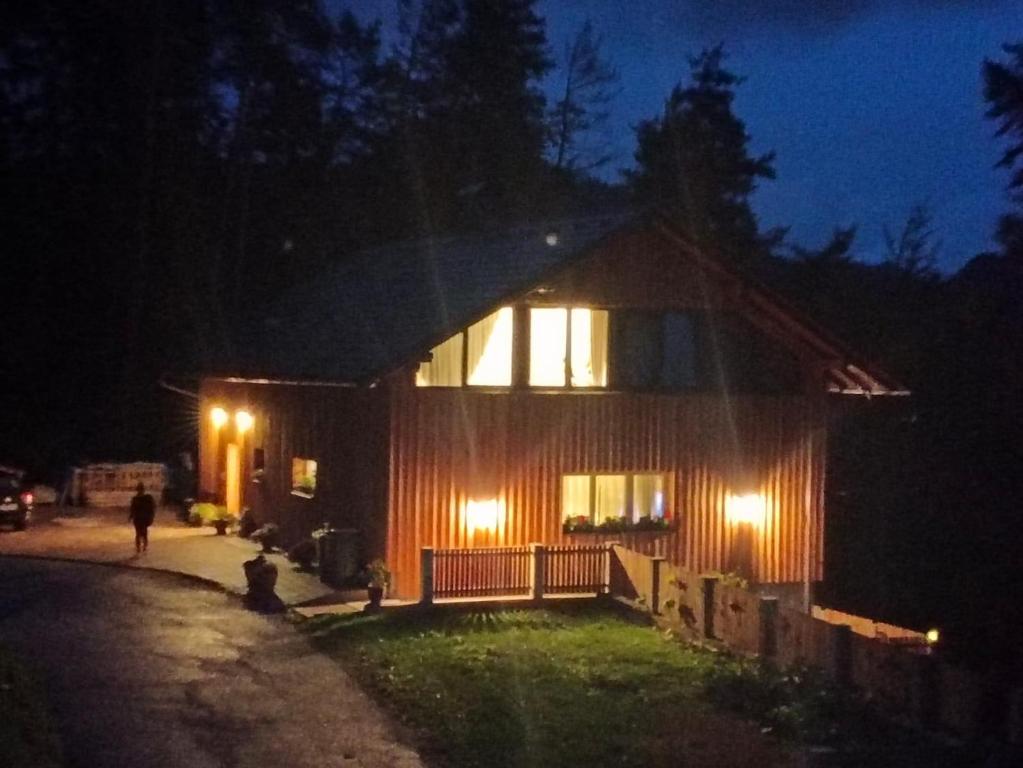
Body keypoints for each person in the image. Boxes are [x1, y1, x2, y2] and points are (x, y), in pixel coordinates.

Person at [129, 482, 156, 554]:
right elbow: (133, 508)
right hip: (139, 518)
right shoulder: (143, 498)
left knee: (142, 533)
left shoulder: (146, 498)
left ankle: (143, 547)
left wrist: (151, 516)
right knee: (139, 533)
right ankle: (141, 547)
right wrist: (131, 516)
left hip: (142, 518)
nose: (140, 491)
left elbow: (152, 508)